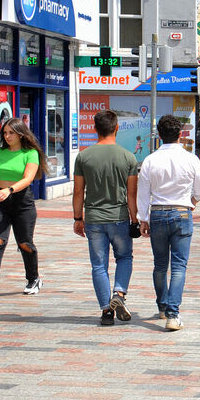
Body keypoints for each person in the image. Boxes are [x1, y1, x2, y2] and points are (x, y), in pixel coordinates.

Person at [137, 114, 200, 331]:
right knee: (179, 266)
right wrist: (191, 202)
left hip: (157, 213)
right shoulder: (191, 159)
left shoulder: (150, 160)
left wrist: (143, 218)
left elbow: (143, 193)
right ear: (180, 135)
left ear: (159, 136)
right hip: (181, 212)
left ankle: (162, 305)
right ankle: (173, 313)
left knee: (160, 264)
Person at [72, 109, 139, 326]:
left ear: (95, 129)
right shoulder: (128, 157)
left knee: (99, 265)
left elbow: (78, 191)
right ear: (116, 128)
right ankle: (118, 294)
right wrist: (135, 220)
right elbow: (131, 194)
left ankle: (106, 311)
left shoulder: (83, 156)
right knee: (124, 257)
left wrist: (77, 218)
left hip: (93, 218)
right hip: (119, 217)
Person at [0, 118, 45, 305]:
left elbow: (28, 179)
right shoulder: (0, 152)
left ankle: (33, 278)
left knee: (25, 244)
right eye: (5, 133)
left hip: (22, 203)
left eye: (11, 133)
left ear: (21, 134)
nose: (7, 136)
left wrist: (10, 190)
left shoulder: (30, 153)